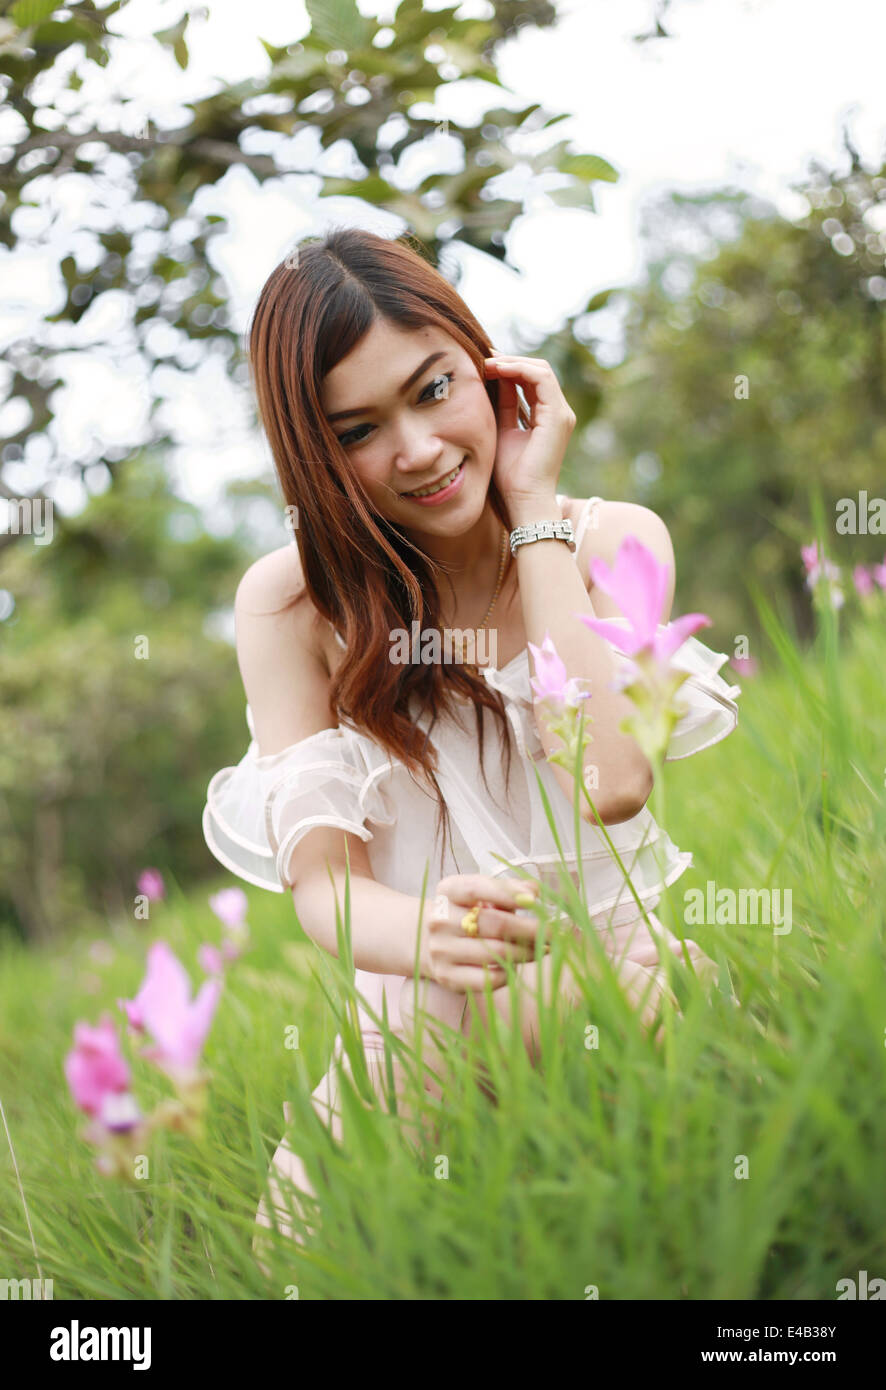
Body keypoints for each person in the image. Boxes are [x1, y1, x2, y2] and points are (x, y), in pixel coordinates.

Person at [201, 226, 741, 1264]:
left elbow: (611, 780)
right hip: (419, 1012)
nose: (416, 449)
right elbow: (325, 891)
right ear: (314, 455)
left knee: (659, 1098)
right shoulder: (291, 605)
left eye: (434, 388)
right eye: (358, 430)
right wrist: (425, 932)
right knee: (291, 1257)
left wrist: (534, 513)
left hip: (610, 979)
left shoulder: (613, 539)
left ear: (488, 366)